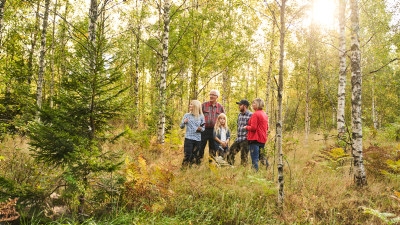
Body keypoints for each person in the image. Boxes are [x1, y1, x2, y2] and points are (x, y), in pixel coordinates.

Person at [199, 89, 225, 164]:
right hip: (204, 129)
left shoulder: (220, 107)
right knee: (201, 147)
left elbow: (224, 118)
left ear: (217, 96)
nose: (211, 96)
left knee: (213, 148)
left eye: (213, 95)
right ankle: (198, 163)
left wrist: (222, 130)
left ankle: (212, 165)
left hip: (214, 131)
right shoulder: (204, 105)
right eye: (210, 94)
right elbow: (198, 116)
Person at [244, 98, 269, 171]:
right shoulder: (264, 114)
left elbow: (253, 128)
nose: (252, 104)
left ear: (258, 104)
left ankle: (255, 174)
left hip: (255, 139)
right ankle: (268, 170)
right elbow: (267, 127)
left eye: (254, 103)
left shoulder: (255, 114)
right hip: (262, 139)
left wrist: (246, 127)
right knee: (262, 156)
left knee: (254, 158)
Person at [180, 100, 205, 168]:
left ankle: (190, 170)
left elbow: (203, 128)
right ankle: (183, 170)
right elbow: (181, 126)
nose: (189, 105)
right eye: (190, 104)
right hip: (189, 139)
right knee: (187, 154)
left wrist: (200, 129)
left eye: (191, 104)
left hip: (197, 139)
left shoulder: (201, 116)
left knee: (194, 155)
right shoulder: (187, 115)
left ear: (196, 106)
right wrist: (184, 122)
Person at [227, 99, 252, 166]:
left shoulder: (251, 115)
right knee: (230, 152)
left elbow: (252, 127)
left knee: (244, 157)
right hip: (239, 139)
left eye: (240, 105)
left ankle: (243, 172)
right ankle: (230, 166)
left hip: (246, 139)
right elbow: (238, 126)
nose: (239, 106)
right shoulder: (239, 115)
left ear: (245, 106)